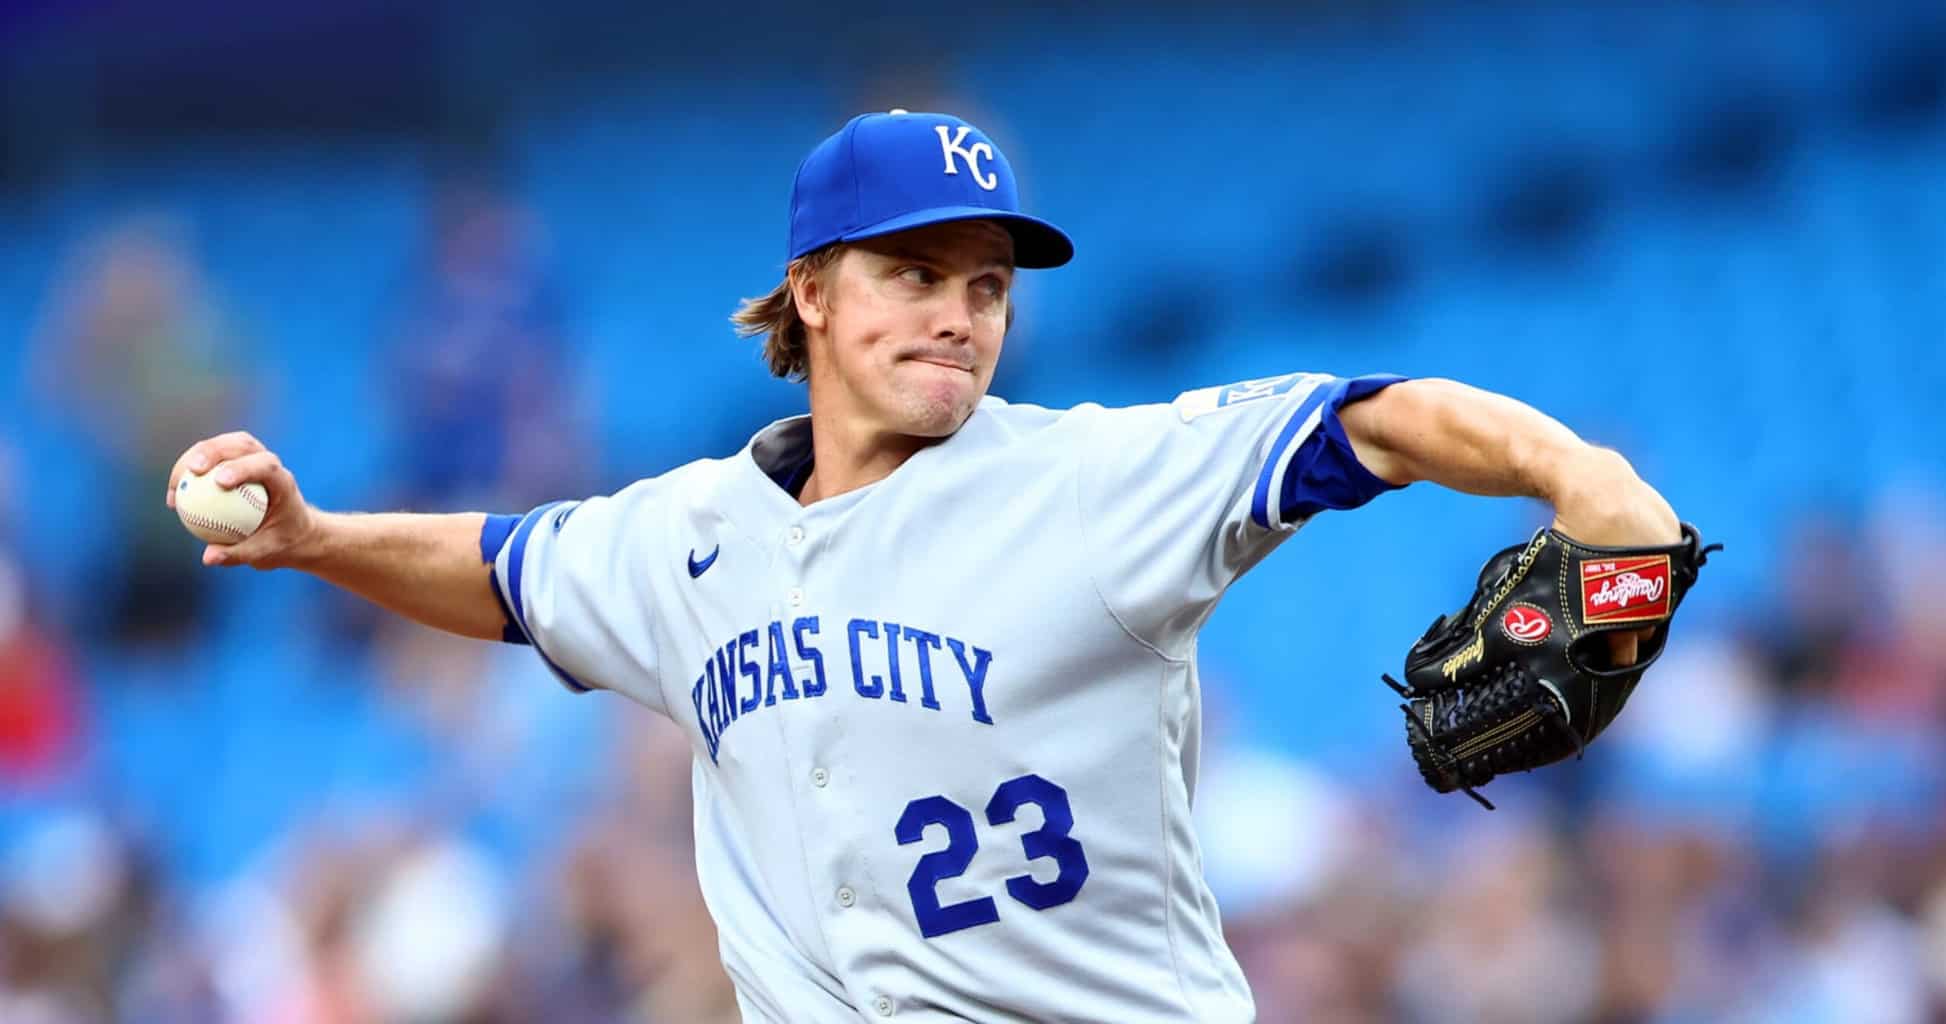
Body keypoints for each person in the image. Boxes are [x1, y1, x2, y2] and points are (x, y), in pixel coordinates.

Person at [166, 111, 1680, 1022]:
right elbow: (505, 572)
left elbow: (1383, 422)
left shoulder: (1092, 482)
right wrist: (313, 542)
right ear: (811, 293)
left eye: (984, 284)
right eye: (910, 274)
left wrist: (1585, 483)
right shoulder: (687, 536)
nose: (957, 311)